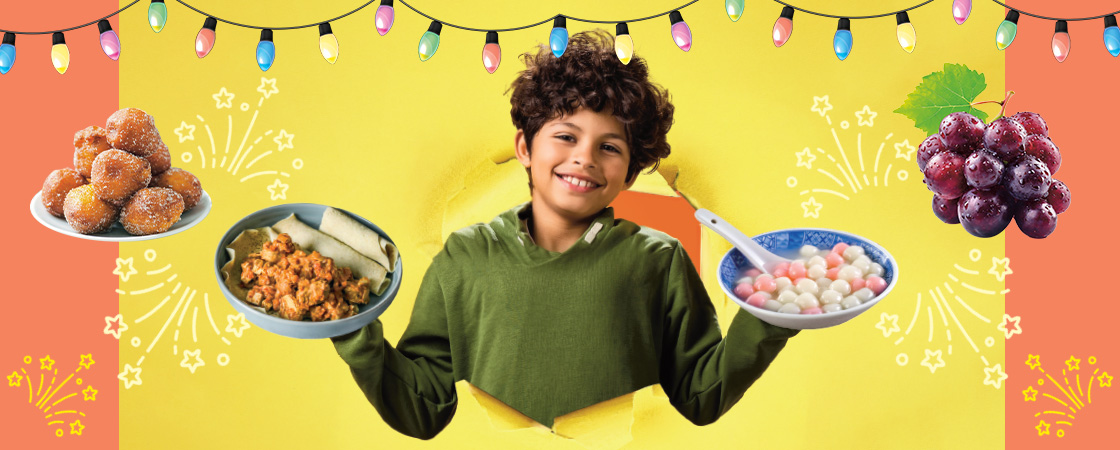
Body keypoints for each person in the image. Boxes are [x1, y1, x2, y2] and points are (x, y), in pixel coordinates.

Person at [332, 29, 798, 440]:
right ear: (525, 147)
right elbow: (423, 409)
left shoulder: (659, 260)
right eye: (566, 136)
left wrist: (771, 317)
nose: (585, 158)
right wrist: (352, 332)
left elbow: (701, 396)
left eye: (609, 147)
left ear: (630, 174)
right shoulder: (465, 256)